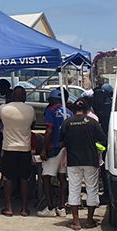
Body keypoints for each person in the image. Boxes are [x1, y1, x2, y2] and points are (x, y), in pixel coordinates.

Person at [60, 98, 107, 231]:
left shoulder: (67, 122)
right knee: (92, 189)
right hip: (90, 160)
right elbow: (103, 139)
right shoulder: (93, 122)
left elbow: (61, 141)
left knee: (74, 189)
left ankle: (75, 222)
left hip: (73, 161)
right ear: (87, 110)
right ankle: (89, 220)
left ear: (74, 110)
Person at [0, 86, 36, 217]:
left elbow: (0, 122)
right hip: (25, 148)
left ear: (13, 95)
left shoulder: (3, 108)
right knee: (24, 178)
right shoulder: (30, 109)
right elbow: (33, 125)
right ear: (24, 96)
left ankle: (8, 207)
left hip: (8, 147)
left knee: (8, 178)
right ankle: (24, 208)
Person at [38, 88, 72, 218]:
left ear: (54, 99)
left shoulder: (51, 111)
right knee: (62, 177)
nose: (48, 102)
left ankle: (50, 207)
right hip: (64, 148)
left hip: (52, 147)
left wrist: (44, 149)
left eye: (50, 99)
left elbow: (49, 130)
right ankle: (62, 207)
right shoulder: (68, 112)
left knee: (46, 176)